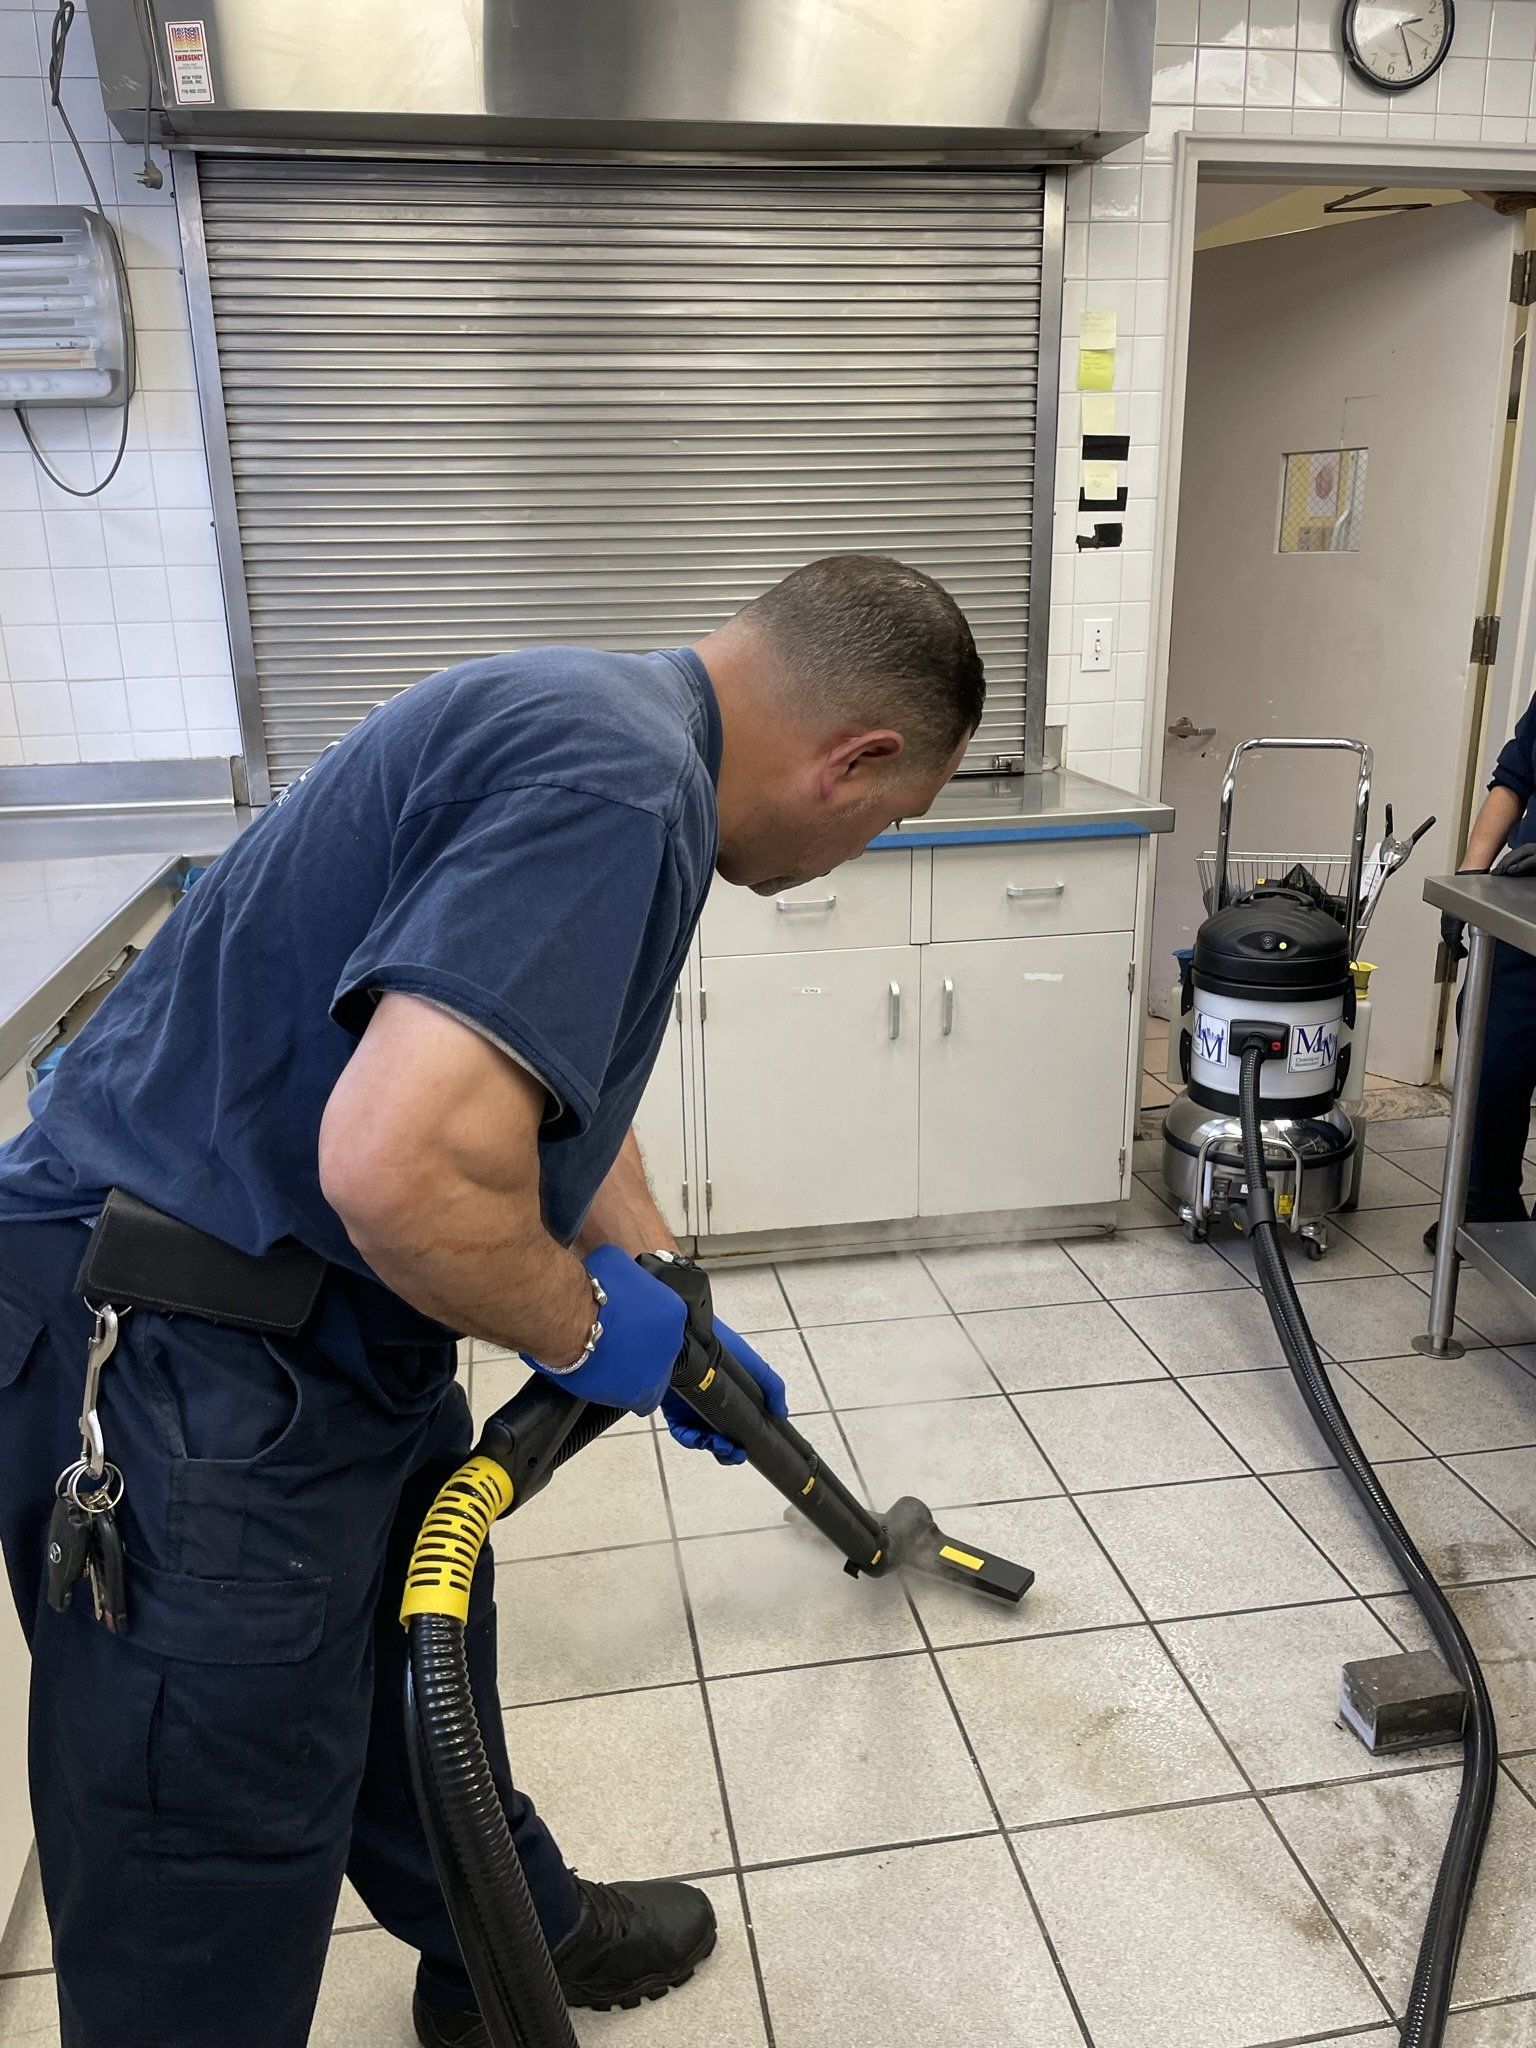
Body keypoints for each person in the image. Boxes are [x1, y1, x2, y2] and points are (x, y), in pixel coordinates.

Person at [0, 553, 983, 2048]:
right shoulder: (620, 788)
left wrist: (660, 1285)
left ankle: (506, 1942)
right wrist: (585, 1328)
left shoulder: (615, 729)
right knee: (203, 1847)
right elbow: (403, 1165)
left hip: (314, 1333)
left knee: (412, 1659)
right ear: (855, 759)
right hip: (174, 1361)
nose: (858, 855)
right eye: (887, 821)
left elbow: (532, 1088)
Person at [1433, 689, 1536, 1251]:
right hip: (1522, 905)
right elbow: (1512, 780)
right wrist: (1471, 881)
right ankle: (1484, 1201)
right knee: (1490, 1056)